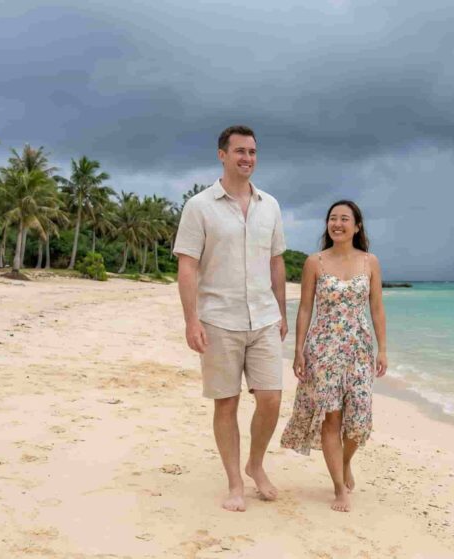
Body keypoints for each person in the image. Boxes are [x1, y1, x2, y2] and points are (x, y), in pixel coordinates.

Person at [173, 125, 288, 512]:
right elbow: (187, 267)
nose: (248, 158)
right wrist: (191, 320)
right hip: (218, 318)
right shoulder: (199, 206)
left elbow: (276, 262)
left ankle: (256, 463)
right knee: (226, 403)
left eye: (253, 152)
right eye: (240, 151)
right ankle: (235, 482)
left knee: (271, 399)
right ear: (222, 155)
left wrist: (282, 313)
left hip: (265, 319)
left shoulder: (269, 205)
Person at [280, 200, 388, 512]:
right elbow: (304, 308)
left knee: (359, 421)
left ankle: (344, 461)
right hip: (323, 350)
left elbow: (377, 308)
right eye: (332, 218)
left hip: (358, 349)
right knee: (331, 418)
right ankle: (339, 488)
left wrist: (383, 349)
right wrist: (298, 350)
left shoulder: (371, 262)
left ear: (357, 227)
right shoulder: (315, 262)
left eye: (344, 219)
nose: (337, 224)